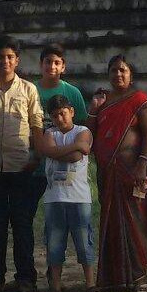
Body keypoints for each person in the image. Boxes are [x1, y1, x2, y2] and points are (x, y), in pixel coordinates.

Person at [0, 35, 44, 292]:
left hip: (22, 168)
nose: (4, 61)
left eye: (9, 57)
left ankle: (26, 279)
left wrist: (37, 157)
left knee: (22, 224)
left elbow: (37, 124)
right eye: (0, 57)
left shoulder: (29, 90)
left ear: (16, 60)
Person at [87, 54, 147, 292]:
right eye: (114, 70)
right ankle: (112, 278)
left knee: (135, 221)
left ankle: (138, 276)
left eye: (123, 70)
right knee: (110, 222)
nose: (118, 74)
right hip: (107, 172)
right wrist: (94, 109)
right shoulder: (103, 102)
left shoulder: (140, 101)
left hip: (131, 171)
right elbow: (90, 134)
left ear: (131, 75)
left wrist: (142, 164)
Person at [36, 94, 99, 292]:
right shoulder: (50, 132)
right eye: (54, 116)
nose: (59, 119)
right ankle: (55, 286)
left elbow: (78, 155)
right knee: (54, 242)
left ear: (71, 112)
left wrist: (56, 151)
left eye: (63, 113)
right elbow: (50, 150)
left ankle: (90, 284)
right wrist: (72, 148)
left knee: (83, 240)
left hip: (79, 197)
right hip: (54, 197)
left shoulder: (83, 130)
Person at [28, 43, 89, 229]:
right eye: (48, 62)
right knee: (26, 216)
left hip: (65, 168)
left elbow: (81, 128)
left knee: (66, 220)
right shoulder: (30, 90)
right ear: (41, 64)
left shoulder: (72, 93)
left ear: (63, 66)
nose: (52, 67)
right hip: (33, 164)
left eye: (57, 63)